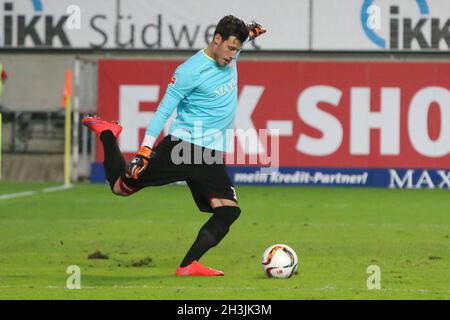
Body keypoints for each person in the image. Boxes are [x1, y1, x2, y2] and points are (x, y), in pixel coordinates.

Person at [82, 15, 266, 276]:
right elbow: (162, 112)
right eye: (231, 49)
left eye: (238, 49)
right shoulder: (189, 71)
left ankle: (188, 265)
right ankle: (109, 135)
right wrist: (145, 151)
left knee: (228, 212)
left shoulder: (231, 48)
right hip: (184, 148)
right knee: (121, 188)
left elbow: (244, 35)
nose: (234, 56)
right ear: (217, 40)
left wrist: (252, 32)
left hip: (210, 155)